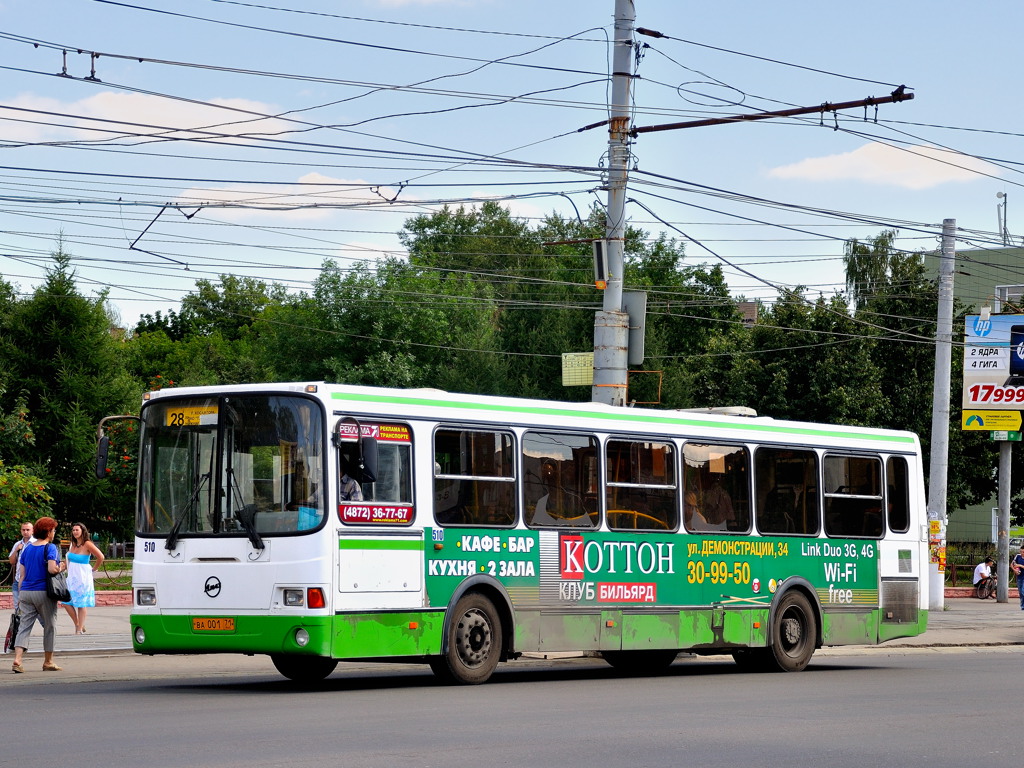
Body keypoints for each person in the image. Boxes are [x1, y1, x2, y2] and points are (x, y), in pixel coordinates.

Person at [11, 517, 65, 673]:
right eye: (53, 530)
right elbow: (52, 569)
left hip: (26, 592)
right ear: (48, 532)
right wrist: (62, 566)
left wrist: (21, 595)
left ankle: (18, 660)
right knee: (50, 626)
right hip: (44, 592)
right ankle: (48, 661)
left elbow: (21, 574)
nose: (54, 533)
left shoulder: (27, 548)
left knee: (24, 627)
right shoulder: (50, 548)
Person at [60, 522, 104, 635]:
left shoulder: (87, 544)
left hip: (83, 576)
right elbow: (67, 560)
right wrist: (61, 568)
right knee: (65, 602)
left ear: (82, 531)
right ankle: (78, 623)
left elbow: (100, 556)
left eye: (77, 530)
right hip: (71, 576)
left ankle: (78, 630)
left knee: (81, 603)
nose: (75, 532)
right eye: (73, 530)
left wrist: (93, 569)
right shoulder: (72, 544)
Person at [7, 522, 34, 612]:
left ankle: (47, 626)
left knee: (36, 610)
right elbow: (12, 561)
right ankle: (19, 626)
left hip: (31, 581)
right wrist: (16, 550)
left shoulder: (36, 543)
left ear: (32, 530)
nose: (25, 532)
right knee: (18, 610)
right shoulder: (17, 544)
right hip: (18, 580)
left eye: (28, 530)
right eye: (23, 530)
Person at [1012, 546, 1024, 611]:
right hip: (1019, 576)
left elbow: (1018, 565)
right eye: (1021, 551)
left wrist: (1019, 565)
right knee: (1021, 592)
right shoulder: (1018, 556)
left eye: (1023, 552)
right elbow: (1012, 564)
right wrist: (1015, 570)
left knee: (1023, 591)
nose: (1022, 553)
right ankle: (1022, 606)